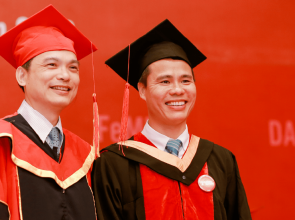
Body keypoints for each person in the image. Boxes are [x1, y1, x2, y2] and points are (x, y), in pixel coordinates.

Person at [92, 19, 252, 220]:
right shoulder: (114, 164)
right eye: (165, 81)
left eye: (186, 80)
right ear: (142, 90)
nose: (177, 90)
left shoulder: (221, 160)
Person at [0, 5, 98, 220]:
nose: (65, 75)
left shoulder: (85, 154)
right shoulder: (0, 143)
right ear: (22, 76)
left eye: (73, 68)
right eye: (51, 65)